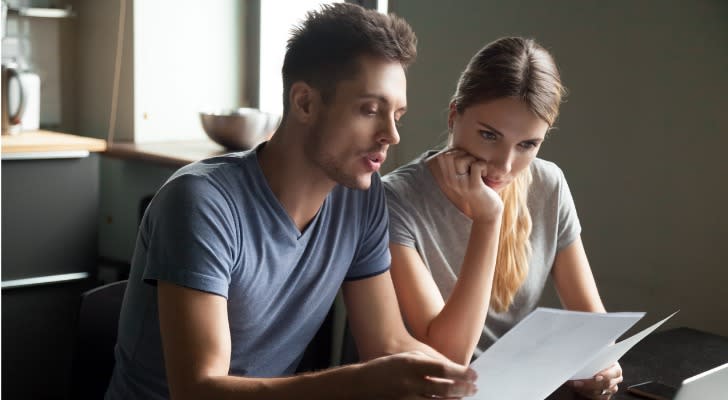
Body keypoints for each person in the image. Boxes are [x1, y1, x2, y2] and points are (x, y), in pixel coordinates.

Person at [104, 4, 478, 399]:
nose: (391, 134)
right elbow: (198, 390)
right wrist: (355, 382)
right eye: (370, 110)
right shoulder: (201, 202)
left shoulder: (361, 201)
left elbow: (387, 344)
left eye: (397, 115)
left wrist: (465, 386)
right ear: (304, 103)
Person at [383, 37, 622, 399]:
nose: (505, 165)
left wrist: (601, 366)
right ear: (453, 116)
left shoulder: (548, 184)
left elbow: (593, 325)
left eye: (527, 144)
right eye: (489, 135)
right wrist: (489, 219)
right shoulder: (394, 199)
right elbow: (449, 358)